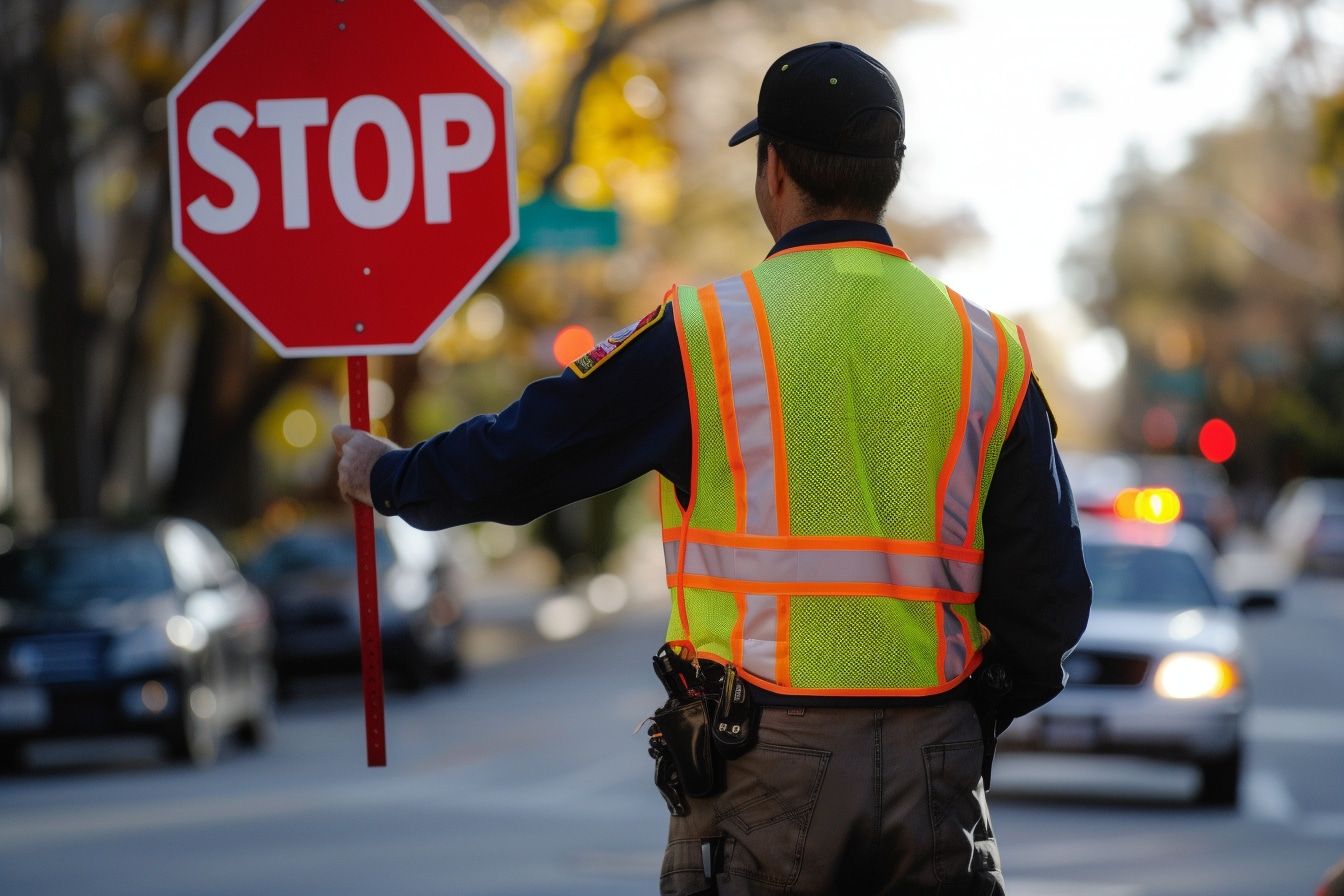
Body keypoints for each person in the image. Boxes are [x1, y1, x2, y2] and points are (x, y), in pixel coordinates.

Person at [334, 41, 1090, 896]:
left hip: (766, 770)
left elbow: (528, 453)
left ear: (772, 170)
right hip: (938, 769)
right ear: (890, 173)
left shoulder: (706, 335)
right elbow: (1050, 599)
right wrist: (962, 717)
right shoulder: (990, 350)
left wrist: (391, 476)